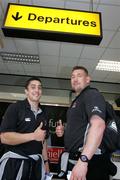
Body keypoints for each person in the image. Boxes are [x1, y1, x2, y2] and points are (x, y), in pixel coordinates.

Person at [56, 66, 117, 180]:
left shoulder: (91, 94)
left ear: (88, 79)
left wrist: (83, 161)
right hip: (77, 159)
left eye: (79, 76)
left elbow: (98, 124)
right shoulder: (78, 100)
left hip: (90, 162)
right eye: (73, 76)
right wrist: (65, 132)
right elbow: (82, 129)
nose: (75, 79)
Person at [0, 77, 49, 180]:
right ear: (26, 91)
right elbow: (4, 137)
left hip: (36, 165)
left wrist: (46, 162)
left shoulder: (44, 113)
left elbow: (43, 140)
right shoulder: (15, 108)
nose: (37, 90)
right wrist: (33, 136)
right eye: (33, 87)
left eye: (39, 88)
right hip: (14, 164)